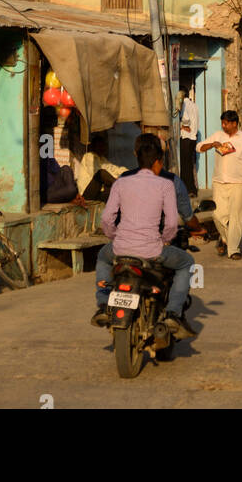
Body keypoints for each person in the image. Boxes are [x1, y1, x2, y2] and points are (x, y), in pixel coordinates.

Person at [91, 141, 196, 339]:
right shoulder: (166, 184)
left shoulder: (121, 182)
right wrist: (164, 240)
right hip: (152, 251)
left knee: (103, 257)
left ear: (137, 160)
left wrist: (115, 238)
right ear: (158, 162)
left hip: (120, 248)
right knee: (187, 263)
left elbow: (106, 219)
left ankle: (103, 304)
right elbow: (172, 224)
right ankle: (173, 313)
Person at [198, 110, 242, 260]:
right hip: (219, 182)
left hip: (238, 183)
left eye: (226, 123)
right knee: (217, 215)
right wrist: (211, 144)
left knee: (236, 217)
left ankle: (234, 249)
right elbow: (199, 147)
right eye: (222, 123)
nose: (224, 126)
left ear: (234, 123)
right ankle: (225, 238)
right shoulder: (218, 135)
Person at [73, 133, 127, 202]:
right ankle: (122, 188)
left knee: (113, 193)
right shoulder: (89, 156)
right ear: (94, 147)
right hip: (87, 193)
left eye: (103, 146)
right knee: (101, 173)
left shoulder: (103, 159)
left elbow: (115, 169)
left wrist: (128, 173)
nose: (102, 148)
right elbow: (97, 174)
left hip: (98, 193)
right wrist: (114, 178)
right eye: (99, 146)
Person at [179, 87, 200, 195]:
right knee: (189, 164)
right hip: (193, 137)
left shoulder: (184, 104)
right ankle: (192, 188)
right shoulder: (194, 105)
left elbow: (186, 119)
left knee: (184, 164)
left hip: (186, 137)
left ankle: (188, 189)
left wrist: (183, 126)